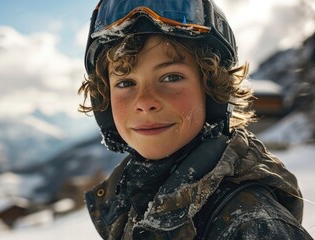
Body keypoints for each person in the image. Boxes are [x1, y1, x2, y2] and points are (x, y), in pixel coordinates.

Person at [78, 0, 313, 239]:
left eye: (171, 77)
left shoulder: (252, 227)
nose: (144, 102)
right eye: (126, 83)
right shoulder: (130, 203)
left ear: (211, 90)